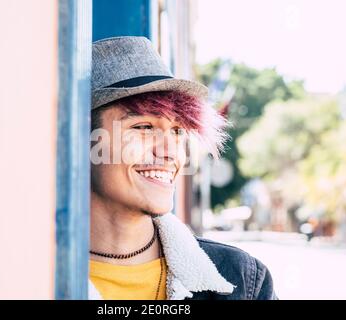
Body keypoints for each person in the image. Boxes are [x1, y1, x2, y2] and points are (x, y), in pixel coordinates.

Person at [88, 36, 277, 300]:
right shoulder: (28, 272)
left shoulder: (242, 281)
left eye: (177, 131)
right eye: (143, 127)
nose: (169, 152)